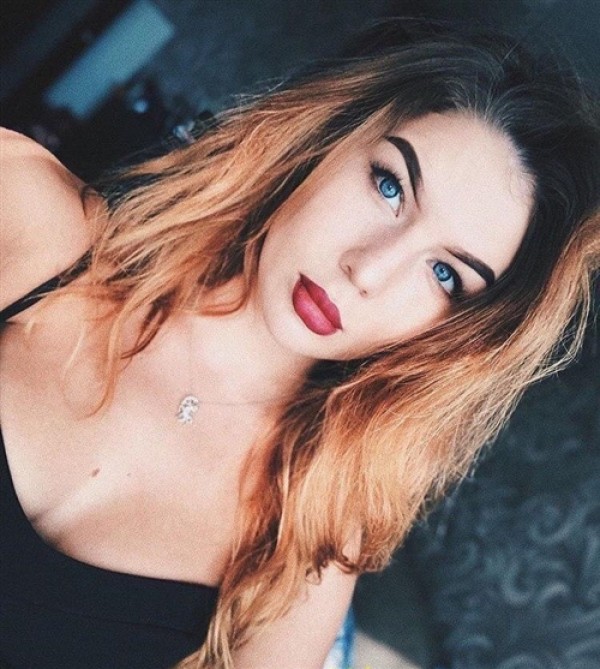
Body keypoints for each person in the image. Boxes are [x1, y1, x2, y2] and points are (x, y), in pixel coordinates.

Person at [1, 18, 599, 669]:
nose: (368, 271)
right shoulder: (36, 222)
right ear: (325, 137)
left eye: (445, 274)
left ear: (459, 334)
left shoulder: (306, 541)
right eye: (390, 185)